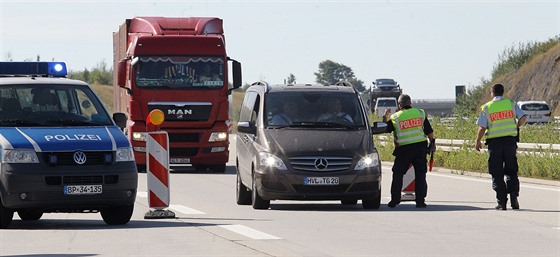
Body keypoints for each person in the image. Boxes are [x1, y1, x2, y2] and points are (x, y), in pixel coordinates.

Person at [475, 83, 527, 210]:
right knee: (511, 170)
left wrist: (477, 141)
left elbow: (482, 127)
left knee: (496, 172)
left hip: (495, 144)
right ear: (503, 92)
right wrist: (516, 126)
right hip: (510, 142)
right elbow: (523, 116)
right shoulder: (511, 104)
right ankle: (514, 197)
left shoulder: (487, 107)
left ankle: (501, 202)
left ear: (492, 93)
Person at [382, 94, 435, 208]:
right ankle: (420, 201)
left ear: (400, 105)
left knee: (398, 174)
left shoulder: (395, 117)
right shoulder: (420, 113)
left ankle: (395, 200)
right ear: (410, 103)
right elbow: (429, 130)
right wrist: (432, 143)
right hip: (420, 148)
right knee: (420, 175)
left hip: (404, 149)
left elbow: (386, 128)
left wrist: (385, 116)